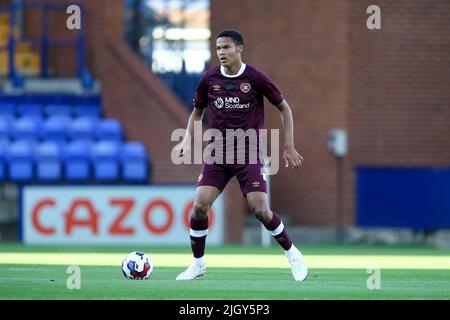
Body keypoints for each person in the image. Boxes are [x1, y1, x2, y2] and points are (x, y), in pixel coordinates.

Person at [174, 29, 307, 281]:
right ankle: (198, 265)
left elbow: (284, 108)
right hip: (218, 153)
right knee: (200, 206)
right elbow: (197, 112)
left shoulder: (255, 78)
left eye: (226, 47)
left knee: (260, 210)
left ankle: (292, 253)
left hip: (249, 152)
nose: (221, 53)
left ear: (239, 49)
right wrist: (186, 139)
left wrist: (288, 146)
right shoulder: (209, 78)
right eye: (218, 49)